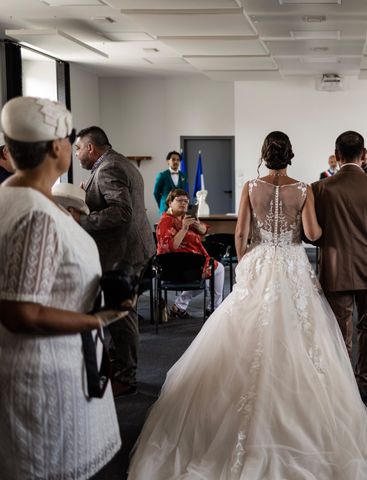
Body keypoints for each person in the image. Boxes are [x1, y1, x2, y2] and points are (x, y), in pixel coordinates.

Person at [128, 131, 367, 479]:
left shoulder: (251, 187)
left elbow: (241, 233)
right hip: (292, 264)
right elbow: (313, 234)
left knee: (246, 334)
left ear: (264, 155)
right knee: (304, 335)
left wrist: (246, 265)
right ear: (290, 155)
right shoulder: (304, 189)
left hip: (260, 262)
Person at [0, 96, 127, 479]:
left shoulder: (11, 195)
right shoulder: (36, 214)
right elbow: (21, 311)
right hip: (43, 373)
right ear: (57, 147)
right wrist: (95, 319)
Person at [312, 131, 367, 403]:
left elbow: (309, 234)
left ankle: (340, 387)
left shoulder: (320, 188)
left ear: (337, 157)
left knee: (339, 331)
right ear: (363, 156)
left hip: (335, 270)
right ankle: (363, 383)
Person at [75, 126, 155, 397]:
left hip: (123, 253)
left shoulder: (109, 168)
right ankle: (117, 367)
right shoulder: (119, 163)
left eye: (77, 148)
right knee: (122, 310)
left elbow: (121, 212)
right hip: (133, 249)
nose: (75, 154)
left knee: (122, 314)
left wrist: (80, 220)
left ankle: (125, 375)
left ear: (90, 148)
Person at [156, 188, 224, 316]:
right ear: (170, 203)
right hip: (175, 266)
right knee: (217, 269)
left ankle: (180, 306)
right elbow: (170, 247)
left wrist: (198, 226)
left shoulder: (186, 217)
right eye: (179, 200)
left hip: (191, 263)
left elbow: (204, 230)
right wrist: (184, 228)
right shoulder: (166, 221)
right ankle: (214, 308)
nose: (183, 203)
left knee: (209, 274)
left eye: (186, 201)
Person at [153, 150, 188, 215]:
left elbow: (183, 192)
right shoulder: (162, 175)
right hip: (165, 209)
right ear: (168, 161)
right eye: (173, 159)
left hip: (179, 210)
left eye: (178, 160)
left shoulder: (183, 176)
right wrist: (162, 205)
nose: (176, 161)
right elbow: (156, 193)